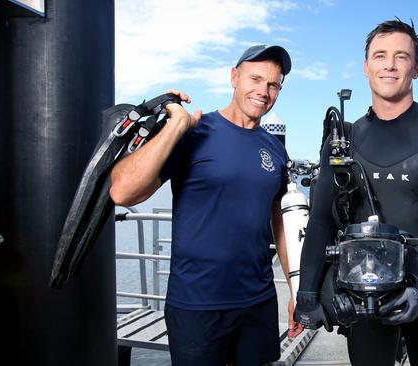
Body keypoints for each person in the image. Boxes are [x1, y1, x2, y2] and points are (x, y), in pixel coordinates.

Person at [295, 19, 418, 366]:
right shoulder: (342, 141)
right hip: (362, 300)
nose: (389, 65)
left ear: (416, 68)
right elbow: (320, 222)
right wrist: (307, 294)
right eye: (380, 56)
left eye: (401, 56)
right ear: (366, 67)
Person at [109, 44, 303, 365]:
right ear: (234, 77)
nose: (263, 91)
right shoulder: (195, 131)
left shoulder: (275, 149)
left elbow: (279, 222)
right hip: (197, 303)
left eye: (273, 85)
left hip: (258, 300)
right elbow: (124, 192)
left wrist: (296, 289)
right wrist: (173, 127)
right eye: (255, 79)